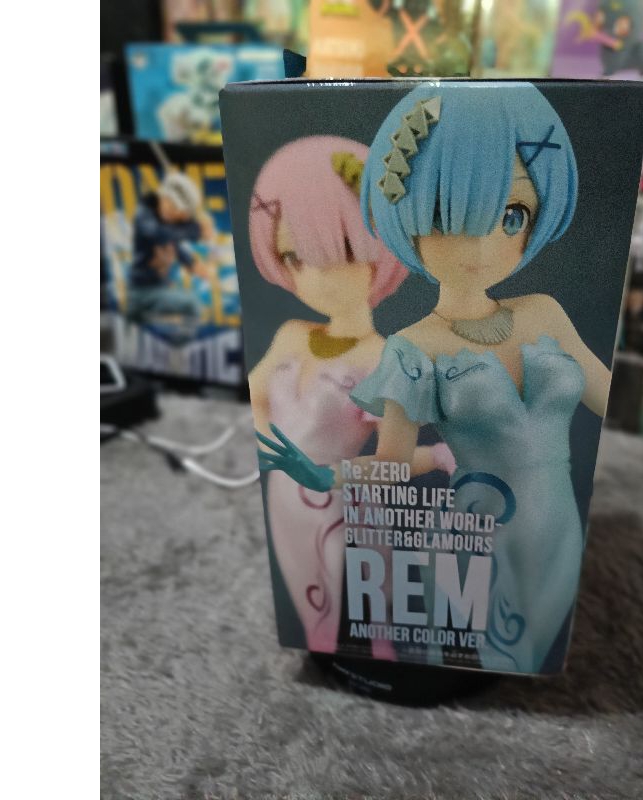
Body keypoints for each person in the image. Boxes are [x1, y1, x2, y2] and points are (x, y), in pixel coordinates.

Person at [257, 84, 612, 674]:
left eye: (511, 215)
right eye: (446, 215)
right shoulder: (412, 348)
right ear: (405, 216)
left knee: (534, 651)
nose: (478, 244)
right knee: (482, 656)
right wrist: (324, 475)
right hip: (479, 536)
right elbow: (392, 465)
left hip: (560, 529)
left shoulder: (544, 314)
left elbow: (605, 394)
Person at [249, 136, 453, 657]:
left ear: (379, 249)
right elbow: (255, 393)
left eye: (339, 249)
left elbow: (393, 460)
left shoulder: (385, 357)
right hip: (283, 499)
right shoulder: (292, 335)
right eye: (294, 256)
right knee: (311, 615)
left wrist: (436, 457)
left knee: (371, 619)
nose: (317, 276)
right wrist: (268, 445)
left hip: (344, 503)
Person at [127, 172, 213, 325]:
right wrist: (197, 230)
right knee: (192, 305)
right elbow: (159, 235)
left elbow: (173, 243)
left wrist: (191, 263)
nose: (175, 216)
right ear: (164, 198)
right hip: (142, 293)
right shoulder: (145, 215)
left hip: (159, 286)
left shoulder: (162, 219)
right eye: (173, 208)